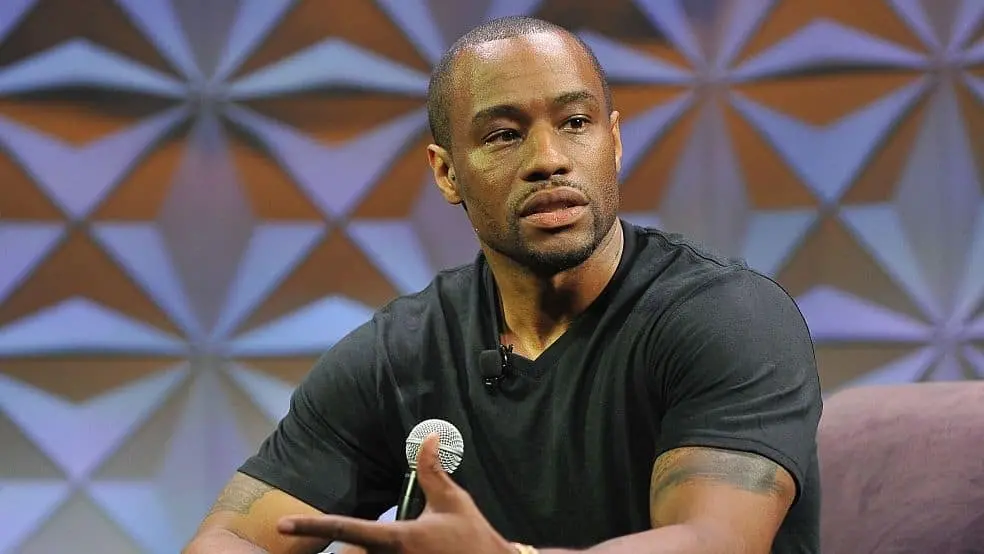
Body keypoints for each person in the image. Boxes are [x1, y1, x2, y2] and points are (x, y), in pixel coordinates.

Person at [183, 15, 822, 554]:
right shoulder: (404, 351)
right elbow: (229, 537)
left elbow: (710, 541)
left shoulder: (729, 317)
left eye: (576, 122)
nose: (548, 158)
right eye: (504, 135)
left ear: (615, 141)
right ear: (446, 172)